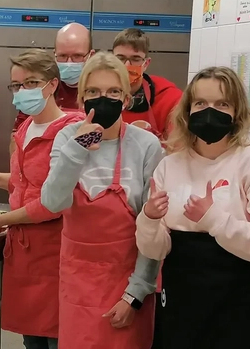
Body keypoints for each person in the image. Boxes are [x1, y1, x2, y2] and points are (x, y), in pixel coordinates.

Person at [135, 66, 250, 349]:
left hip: (240, 299)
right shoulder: (170, 165)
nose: (209, 111)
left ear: (237, 112)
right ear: (187, 109)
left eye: (222, 104)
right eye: (201, 103)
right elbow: (155, 250)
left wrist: (215, 220)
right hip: (182, 296)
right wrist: (150, 219)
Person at [0, 49, 83, 349]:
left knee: (57, 338)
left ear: (52, 85)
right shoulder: (26, 127)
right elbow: (23, 183)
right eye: (16, 85)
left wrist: (1, 220)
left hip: (55, 252)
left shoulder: (70, 131)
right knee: (32, 340)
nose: (21, 92)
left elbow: (52, 202)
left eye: (29, 83)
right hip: (25, 255)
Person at [39, 51, 161, 349]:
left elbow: (154, 229)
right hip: (78, 284)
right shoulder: (67, 138)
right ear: (81, 100)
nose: (102, 99)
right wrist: (79, 146)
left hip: (127, 284)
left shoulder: (146, 146)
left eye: (113, 92)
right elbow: (53, 202)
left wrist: (135, 294)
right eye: (93, 92)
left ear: (126, 99)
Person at [11, 22, 91, 132]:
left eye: (77, 56)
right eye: (62, 56)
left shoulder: (100, 89)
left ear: (91, 55)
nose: (69, 63)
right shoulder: (42, 87)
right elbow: (17, 136)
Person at [112, 28, 183, 140]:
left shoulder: (170, 99)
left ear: (146, 64)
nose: (126, 65)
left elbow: (176, 145)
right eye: (120, 58)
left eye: (135, 59)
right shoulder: (98, 95)